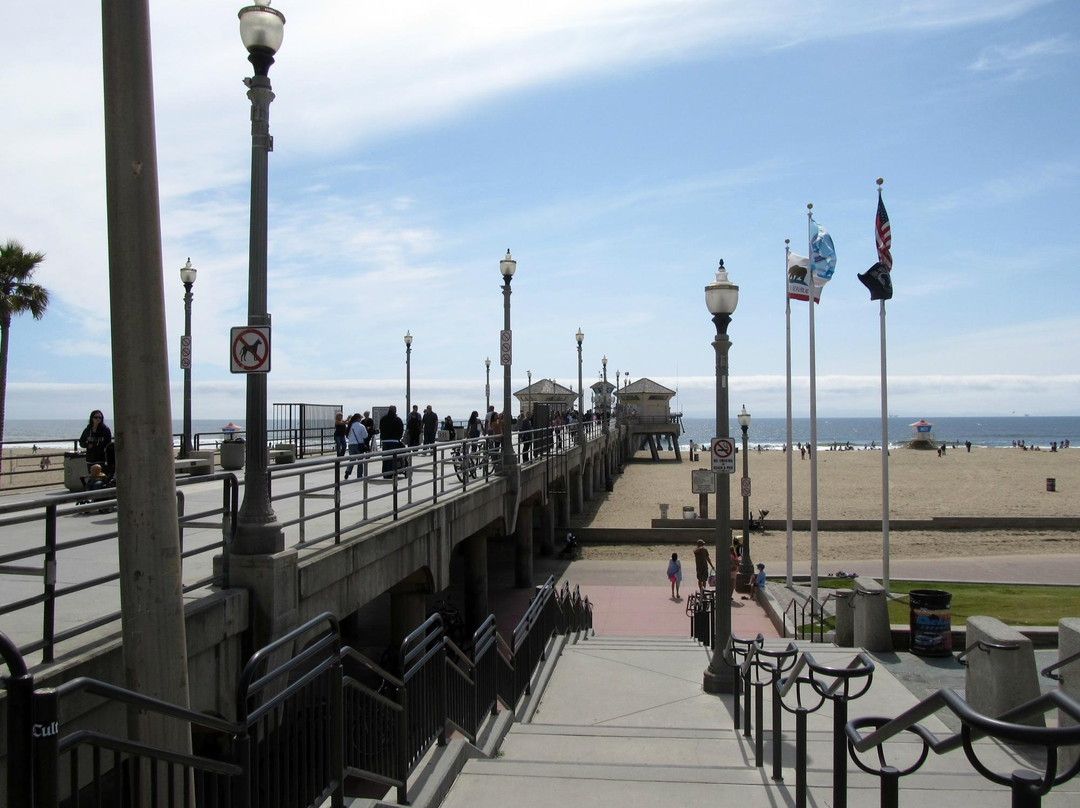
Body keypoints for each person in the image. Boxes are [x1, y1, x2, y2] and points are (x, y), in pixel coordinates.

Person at [79, 410, 113, 474]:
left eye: (100, 418)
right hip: (90, 459)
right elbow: (81, 442)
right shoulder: (87, 430)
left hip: (101, 459)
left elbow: (108, 444)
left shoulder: (105, 430)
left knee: (102, 477)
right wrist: (87, 445)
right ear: (92, 418)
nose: (98, 419)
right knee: (92, 477)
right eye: (96, 417)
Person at [379, 405, 406, 477]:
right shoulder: (397, 419)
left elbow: (381, 428)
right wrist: (398, 438)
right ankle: (391, 473)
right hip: (394, 441)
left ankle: (385, 473)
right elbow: (401, 430)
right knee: (393, 458)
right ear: (395, 410)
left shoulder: (383, 419)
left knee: (385, 458)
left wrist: (383, 437)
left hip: (385, 441)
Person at [343, 413, 368, 480]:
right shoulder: (361, 426)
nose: (361, 419)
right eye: (360, 418)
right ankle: (359, 475)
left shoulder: (350, 426)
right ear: (358, 418)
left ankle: (348, 471)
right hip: (359, 444)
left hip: (351, 444)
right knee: (360, 461)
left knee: (352, 460)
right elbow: (365, 436)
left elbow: (347, 436)